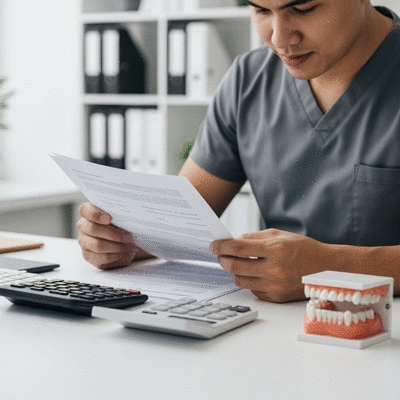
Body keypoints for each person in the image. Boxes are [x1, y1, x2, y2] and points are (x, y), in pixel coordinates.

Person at [77, 0, 400, 303]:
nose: (280, 37)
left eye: (303, 9)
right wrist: (123, 240)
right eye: (260, 10)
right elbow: (181, 220)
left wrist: (331, 267)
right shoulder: (249, 80)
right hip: (271, 330)